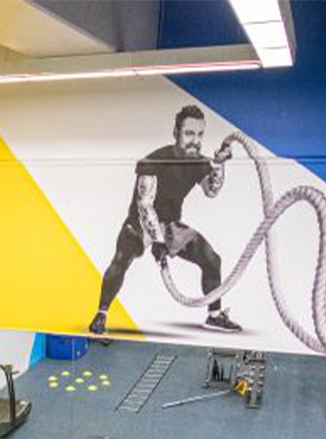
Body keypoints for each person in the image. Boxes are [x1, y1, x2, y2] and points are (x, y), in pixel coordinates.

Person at [89, 104, 240, 336]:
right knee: (120, 261)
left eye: (200, 134)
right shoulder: (154, 161)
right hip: (140, 222)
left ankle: (214, 315)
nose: (195, 141)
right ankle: (101, 314)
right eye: (189, 133)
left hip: (170, 224)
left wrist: (218, 164)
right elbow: (145, 205)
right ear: (176, 133)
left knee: (211, 259)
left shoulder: (198, 162)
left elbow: (211, 191)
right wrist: (157, 241)